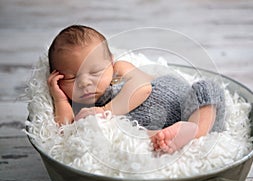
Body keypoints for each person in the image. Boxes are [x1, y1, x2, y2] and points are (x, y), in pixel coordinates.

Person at [47, 25, 225, 153]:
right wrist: (60, 99)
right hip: (157, 128)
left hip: (184, 102)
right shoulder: (79, 107)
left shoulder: (119, 69)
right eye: (71, 78)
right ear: (58, 78)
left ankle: (196, 131)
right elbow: (65, 130)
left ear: (110, 61)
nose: (84, 82)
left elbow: (142, 88)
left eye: (95, 71)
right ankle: (168, 140)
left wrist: (104, 110)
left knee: (207, 89)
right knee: (133, 137)